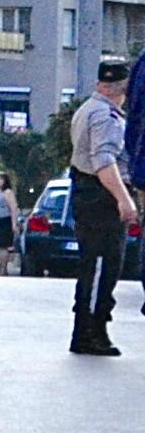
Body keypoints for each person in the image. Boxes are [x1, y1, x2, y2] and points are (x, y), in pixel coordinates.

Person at [69, 62, 133, 355]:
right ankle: (90, 332)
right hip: (99, 196)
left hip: (90, 193)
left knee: (99, 265)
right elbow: (104, 162)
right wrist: (123, 198)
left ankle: (91, 329)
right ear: (122, 89)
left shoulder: (89, 108)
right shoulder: (105, 116)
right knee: (101, 266)